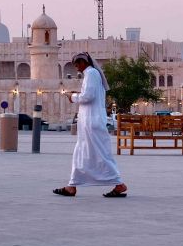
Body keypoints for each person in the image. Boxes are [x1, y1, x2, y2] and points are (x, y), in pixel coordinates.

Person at [54, 53, 128, 198]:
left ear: (83, 63)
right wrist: (78, 94)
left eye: (77, 65)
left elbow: (88, 97)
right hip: (89, 121)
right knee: (82, 153)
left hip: (92, 122)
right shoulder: (91, 74)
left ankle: (119, 184)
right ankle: (72, 185)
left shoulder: (92, 73)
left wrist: (73, 97)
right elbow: (89, 94)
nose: (76, 68)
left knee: (99, 154)